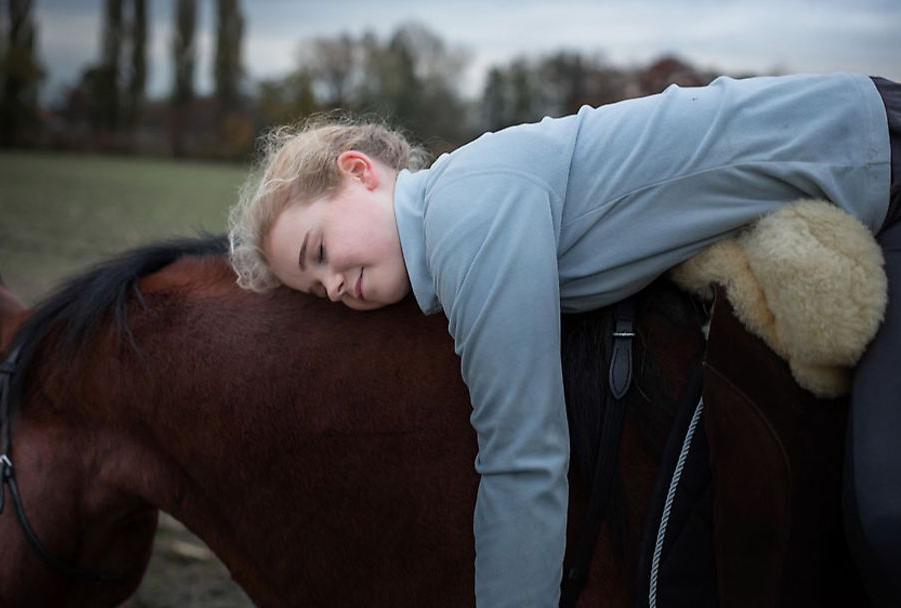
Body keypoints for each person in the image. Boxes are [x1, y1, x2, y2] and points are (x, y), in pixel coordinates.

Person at [228, 72, 900, 607]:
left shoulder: (467, 214)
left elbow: (523, 454)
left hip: (879, 154)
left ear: (360, 171)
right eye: (316, 290)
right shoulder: (464, 202)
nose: (334, 287)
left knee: (887, 519)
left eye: (318, 250)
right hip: (865, 150)